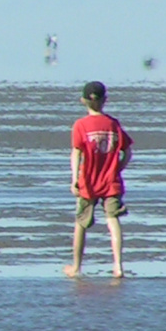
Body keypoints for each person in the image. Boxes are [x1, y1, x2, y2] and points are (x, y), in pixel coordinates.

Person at [64, 81, 133, 279]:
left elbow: (76, 153)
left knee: (81, 223)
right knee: (113, 220)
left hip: (89, 180)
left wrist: (75, 178)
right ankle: (118, 266)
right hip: (111, 180)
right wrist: (118, 168)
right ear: (105, 100)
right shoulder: (112, 124)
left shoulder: (81, 125)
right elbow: (127, 152)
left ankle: (76, 267)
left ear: (83, 101)